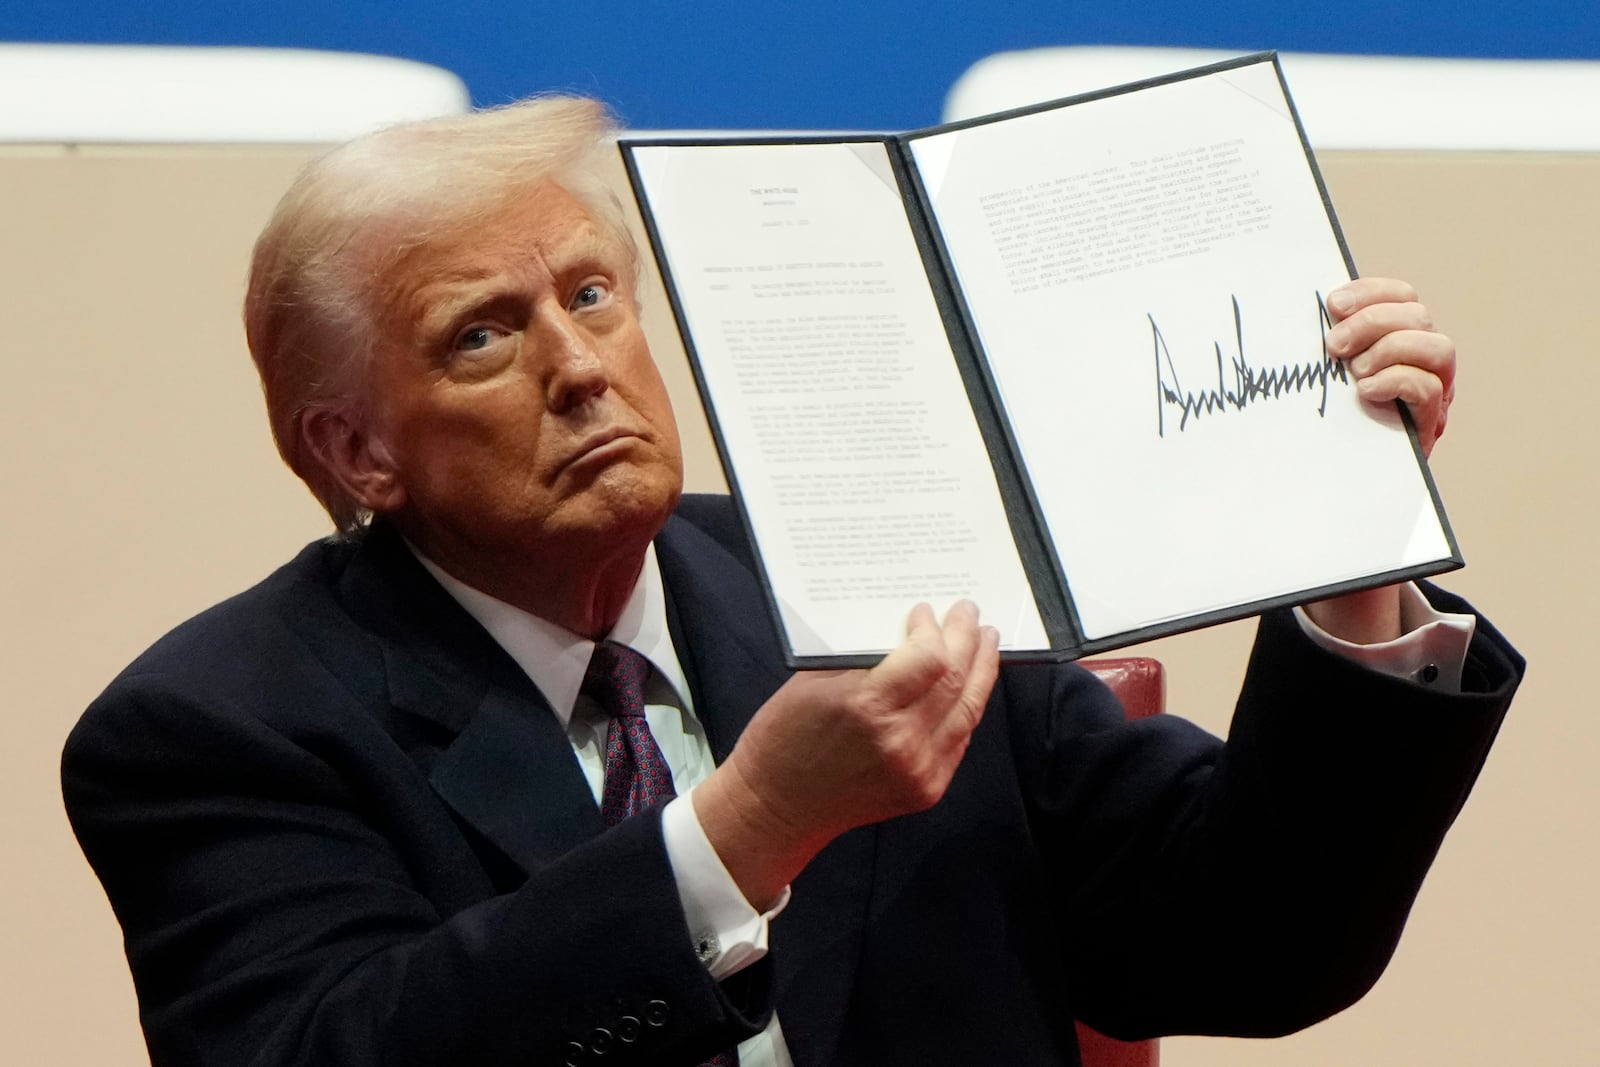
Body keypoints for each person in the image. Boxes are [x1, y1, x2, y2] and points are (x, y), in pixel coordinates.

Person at [62, 96, 1522, 1067]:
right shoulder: (215, 729)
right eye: (482, 338)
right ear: (355, 451)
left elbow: (1249, 944)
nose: (579, 368)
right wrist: (750, 827)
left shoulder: (869, 565)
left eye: (590, 296)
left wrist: (1352, 566)